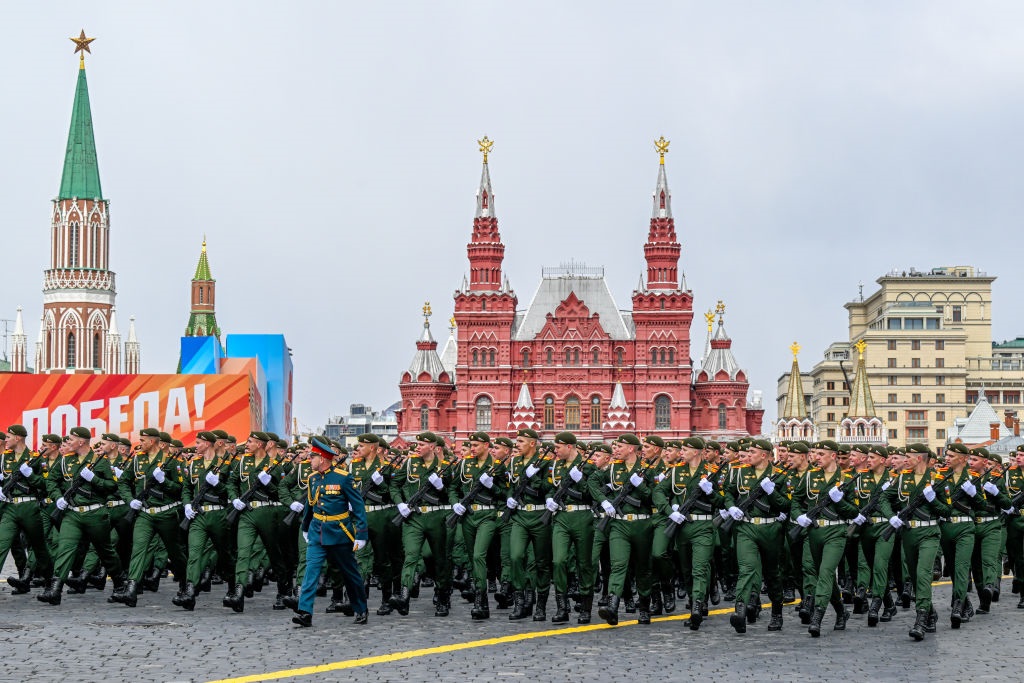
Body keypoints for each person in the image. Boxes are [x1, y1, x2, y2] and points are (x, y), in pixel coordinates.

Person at [292, 437, 368, 627]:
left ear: (323, 459)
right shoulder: (313, 479)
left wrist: (361, 534)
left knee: (350, 573)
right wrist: (306, 527)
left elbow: (358, 507)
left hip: (340, 532)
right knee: (311, 572)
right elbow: (311, 505)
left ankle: (360, 608)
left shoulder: (343, 477)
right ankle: (305, 612)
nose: (309, 460)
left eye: (312, 457)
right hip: (317, 532)